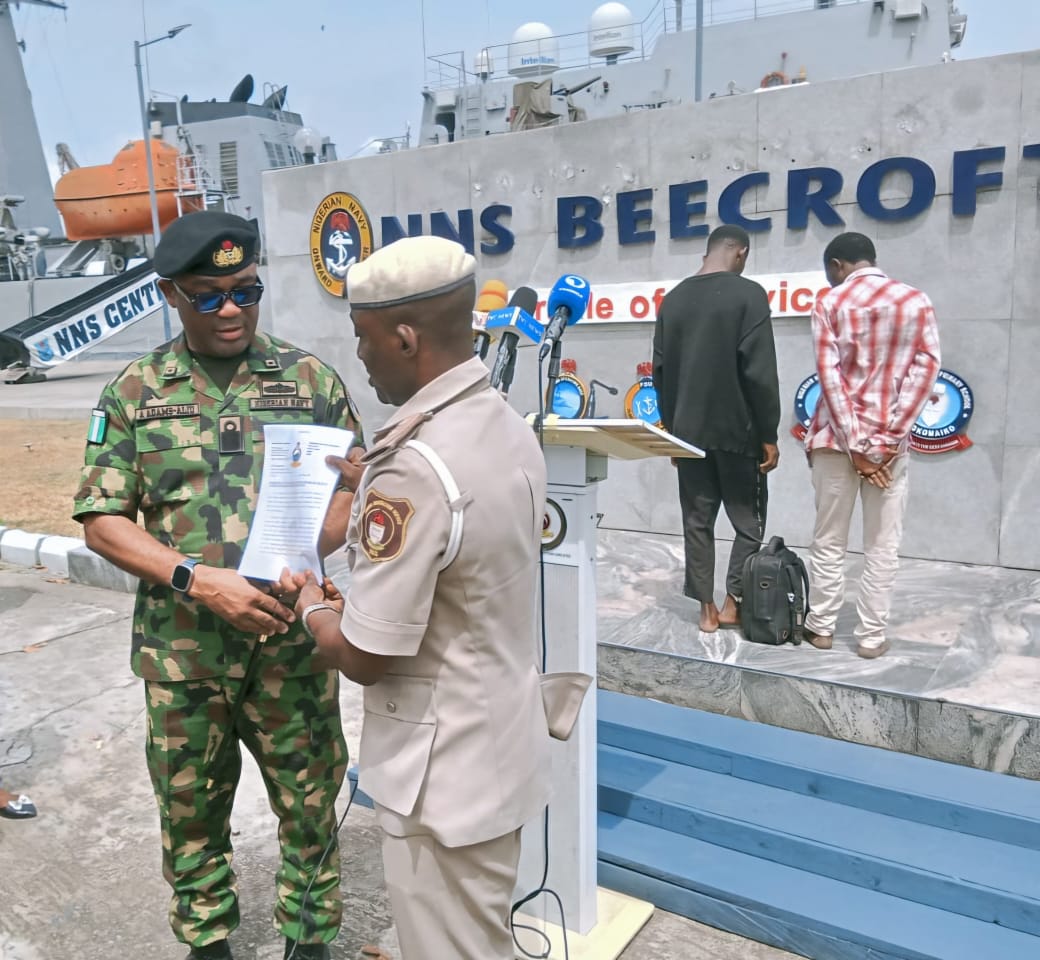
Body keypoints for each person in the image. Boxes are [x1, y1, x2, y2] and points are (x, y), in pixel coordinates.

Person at [72, 211, 363, 960]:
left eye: (246, 290)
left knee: (311, 803)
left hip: (291, 645)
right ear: (170, 294)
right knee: (190, 812)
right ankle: (208, 943)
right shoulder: (135, 391)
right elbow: (102, 521)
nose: (231, 309)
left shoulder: (310, 381)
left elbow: (349, 490)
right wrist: (199, 581)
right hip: (184, 655)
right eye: (208, 295)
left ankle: (310, 940)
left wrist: (314, 546)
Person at [285, 235, 552, 960]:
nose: (361, 356)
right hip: (497, 746)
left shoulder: (413, 468)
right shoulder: (504, 423)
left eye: (363, 338)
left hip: (444, 780)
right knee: (477, 936)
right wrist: (372, 482)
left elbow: (366, 656)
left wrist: (312, 605)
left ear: (404, 338)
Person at [802, 232, 941, 659]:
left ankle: (821, 627)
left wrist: (856, 445)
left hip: (834, 443)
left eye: (830, 271)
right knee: (883, 544)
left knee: (829, 539)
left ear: (837, 264)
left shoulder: (830, 303)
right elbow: (926, 373)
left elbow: (829, 379)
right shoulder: (916, 301)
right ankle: (870, 637)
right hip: (889, 453)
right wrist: (886, 441)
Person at [653, 224, 781, 633]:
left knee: (697, 520)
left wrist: (672, 433)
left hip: (687, 433)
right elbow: (760, 373)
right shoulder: (749, 295)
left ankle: (705, 609)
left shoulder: (673, 300)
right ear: (740, 252)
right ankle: (732, 602)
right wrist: (769, 433)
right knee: (748, 521)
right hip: (738, 432)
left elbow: (660, 373)